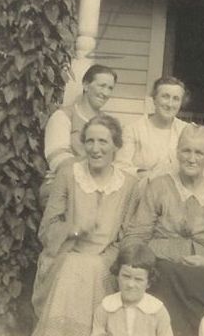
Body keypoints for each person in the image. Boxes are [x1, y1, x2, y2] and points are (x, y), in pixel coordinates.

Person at [123, 124, 204, 336]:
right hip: (162, 267)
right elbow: (137, 234)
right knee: (162, 277)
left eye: (199, 152)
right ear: (177, 152)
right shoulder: (158, 186)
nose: (192, 158)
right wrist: (141, 264)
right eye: (186, 150)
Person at [32, 114, 138, 336]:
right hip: (65, 255)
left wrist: (106, 259)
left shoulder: (128, 184)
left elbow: (127, 236)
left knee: (91, 268)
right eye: (90, 141)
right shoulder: (69, 175)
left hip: (105, 262)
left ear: (116, 145)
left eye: (103, 141)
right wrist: (75, 229)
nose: (95, 148)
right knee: (75, 266)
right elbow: (46, 231)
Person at [114, 76, 204, 194]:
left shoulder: (187, 129)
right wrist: (147, 175)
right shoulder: (134, 129)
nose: (170, 104)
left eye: (176, 99)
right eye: (165, 97)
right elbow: (120, 168)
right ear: (154, 99)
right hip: (146, 194)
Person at [41, 65, 118, 202]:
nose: (105, 93)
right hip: (65, 187)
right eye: (102, 86)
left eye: (110, 88)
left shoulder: (108, 124)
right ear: (86, 85)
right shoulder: (63, 116)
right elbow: (58, 159)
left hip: (100, 188)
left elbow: (114, 161)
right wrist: (98, 173)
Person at [91, 243, 173, 336]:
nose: (130, 284)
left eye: (138, 279)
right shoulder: (105, 308)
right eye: (126, 276)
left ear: (148, 283)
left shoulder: (158, 311)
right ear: (117, 276)